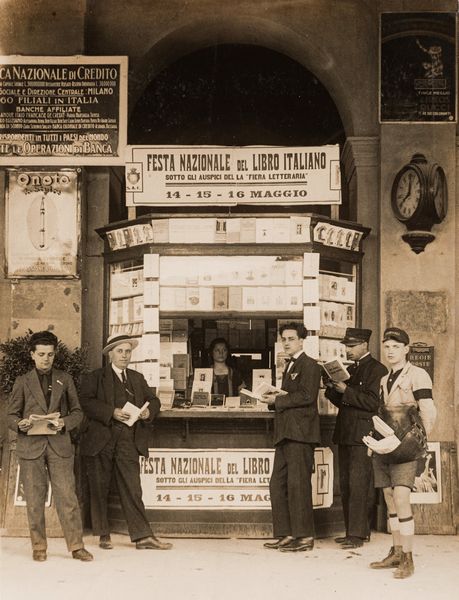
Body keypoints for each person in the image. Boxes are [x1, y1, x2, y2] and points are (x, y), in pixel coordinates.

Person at [79, 333, 172, 551]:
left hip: (127, 440)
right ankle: (103, 534)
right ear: (110, 354)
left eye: (128, 351)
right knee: (99, 486)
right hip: (101, 439)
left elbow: (155, 400)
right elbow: (85, 401)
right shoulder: (95, 377)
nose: (124, 355)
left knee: (133, 487)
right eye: (120, 351)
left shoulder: (136, 378)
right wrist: (110, 411)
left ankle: (142, 536)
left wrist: (149, 411)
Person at [7, 330, 93, 562]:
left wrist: (64, 422)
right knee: (34, 498)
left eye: (51, 355)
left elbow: (78, 413)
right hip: (30, 446)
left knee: (67, 497)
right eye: (42, 354)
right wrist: (20, 424)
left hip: (59, 445)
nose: (46, 359)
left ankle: (76, 546)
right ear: (32, 355)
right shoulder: (22, 381)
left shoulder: (64, 379)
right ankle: (39, 547)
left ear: (55, 355)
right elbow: (10, 415)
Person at [363, 327, 436, 579]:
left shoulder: (418, 375)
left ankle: (408, 557)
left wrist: (420, 445)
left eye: (396, 346)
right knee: (389, 497)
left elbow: (428, 411)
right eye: (387, 346)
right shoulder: (385, 379)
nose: (391, 350)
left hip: (407, 447)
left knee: (402, 497)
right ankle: (395, 551)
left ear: (406, 349)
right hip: (386, 445)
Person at [259, 322, 321, 552]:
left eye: (291, 338)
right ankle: (285, 534)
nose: (286, 342)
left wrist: (278, 400)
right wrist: (272, 401)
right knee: (278, 484)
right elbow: (292, 397)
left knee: (298, 485)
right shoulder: (289, 366)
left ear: (302, 340)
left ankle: (304, 537)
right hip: (286, 433)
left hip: (301, 435)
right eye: (283, 339)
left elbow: (306, 396)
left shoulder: (311, 365)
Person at [324, 327, 387, 548]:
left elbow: (372, 403)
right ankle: (353, 531)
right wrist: (331, 389)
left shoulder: (377, 369)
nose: (347, 350)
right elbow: (346, 403)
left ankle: (358, 534)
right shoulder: (353, 369)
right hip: (346, 432)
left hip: (363, 434)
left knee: (359, 484)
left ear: (364, 345)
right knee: (347, 485)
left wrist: (345, 390)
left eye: (351, 346)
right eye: (346, 346)